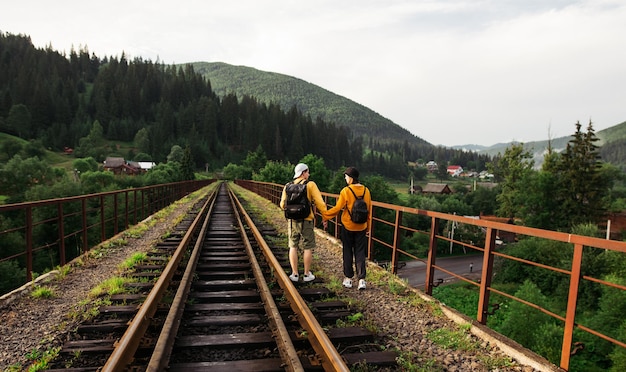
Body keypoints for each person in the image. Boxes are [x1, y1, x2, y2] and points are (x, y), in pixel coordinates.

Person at [322, 166, 372, 290]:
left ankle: (348, 279)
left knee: (347, 251)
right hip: (361, 226)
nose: (345, 178)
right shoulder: (366, 191)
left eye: (346, 176)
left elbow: (338, 208)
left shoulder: (346, 191)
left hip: (348, 226)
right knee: (360, 252)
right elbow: (369, 211)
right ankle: (361, 280)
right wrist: (368, 227)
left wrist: (325, 216)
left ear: (351, 178)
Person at [280, 163, 328, 283]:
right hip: (306, 220)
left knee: (293, 246)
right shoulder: (310, 185)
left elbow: (282, 205)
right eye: (307, 172)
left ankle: (294, 274)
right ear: (303, 173)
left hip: (292, 221)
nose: (309, 174)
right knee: (308, 246)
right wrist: (325, 216)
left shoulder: (288, 186)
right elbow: (320, 203)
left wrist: (293, 210)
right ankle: (307, 274)